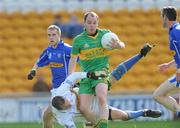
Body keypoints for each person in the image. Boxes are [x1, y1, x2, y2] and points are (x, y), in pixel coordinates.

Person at [51, 44, 161, 128]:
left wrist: (89, 75)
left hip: (88, 92)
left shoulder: (61, 91)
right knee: (124, 116)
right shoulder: (62, 117)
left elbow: (73, 76)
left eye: (67, 100)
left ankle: (140, 54)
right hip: (95, 114)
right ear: (62, 109)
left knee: (114, 76)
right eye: (67, 105)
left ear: (64, 97)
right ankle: (144, 112)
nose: (70, 102)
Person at [68, 11, 125, 128]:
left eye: (94, 23)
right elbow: (73, 59)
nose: (92, 25)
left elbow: (122, 44)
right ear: (84, 23)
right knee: (83, 108)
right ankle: (97, 125)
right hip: (86, 76)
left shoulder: (106, 35)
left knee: (101, 97)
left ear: (97, 23)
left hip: (101, 71)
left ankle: (104, 126)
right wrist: (70, 78)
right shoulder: (78, 40)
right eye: (89, 22)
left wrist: (119, 46)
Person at [27, 25, 72, 128]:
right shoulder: (48, 51)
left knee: (57, 116)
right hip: (56, 89)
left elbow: (81, 59)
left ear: (59, 36)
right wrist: (33, 70)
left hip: (66, 88)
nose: (51, 37)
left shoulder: (67, 49)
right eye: (49, 35)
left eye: (53, 35)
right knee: (47, 116)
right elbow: (39, 62)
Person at [153, 6, 180, 118]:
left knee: (158, 95)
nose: (160, 18)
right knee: (158, 94)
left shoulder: (176, 31)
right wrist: (169, 65)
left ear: (165, 17)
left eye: (161, 16)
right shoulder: (174, 30)